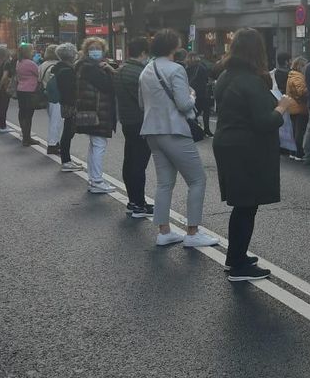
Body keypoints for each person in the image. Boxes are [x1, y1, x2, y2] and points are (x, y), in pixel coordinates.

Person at [213, 28, 294, 281]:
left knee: (242, 204)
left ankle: (235, 256)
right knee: (247, 206)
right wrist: (282, 107)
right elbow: (264, 121)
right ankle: (238, 265)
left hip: (228, 143)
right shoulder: (249, 80)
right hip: (246, 149)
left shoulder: (227, 75)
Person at [139, 29, 218, 248]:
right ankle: (192, 232)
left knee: (164, 183)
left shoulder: (147, 69)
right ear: (174, 46)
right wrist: (192, 96)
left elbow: (141, 102)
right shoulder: (176, 69)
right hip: (173, 130)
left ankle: (164, 231)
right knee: (197, 180)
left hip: (151, 130)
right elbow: (184, 104)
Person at [114, 37, 153, 218]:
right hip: (140, 121)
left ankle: (133, 201)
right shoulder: (140, 72)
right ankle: (139, 203)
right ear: (144, 53)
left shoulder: (122, 70)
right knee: (139, 164)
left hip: (127, 121)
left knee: (129, 161)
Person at [74, 38, 117, 194]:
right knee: (99, 145)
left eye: (98, 48)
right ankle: (97, 181)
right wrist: (110, 71)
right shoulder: (91, 68)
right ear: (86, 51)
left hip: (89, 110)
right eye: (92, 48)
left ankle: (93, 179)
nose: (95, 51)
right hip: (98, 110)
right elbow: (108, 86)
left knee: (94, 145)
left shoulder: (83, 65)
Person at [53, 43, 82, 172]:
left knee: (68, 131)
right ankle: (66, 161)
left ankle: (67, 160)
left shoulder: (58, 68)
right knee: (68, 132)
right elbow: (71, 89)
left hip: (64, 102)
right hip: (70, 103)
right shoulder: (68, 71)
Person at [39, 45, 62, 154]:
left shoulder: (42, 65)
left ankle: (55, 142)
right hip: (55, 95)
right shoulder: (56, 65)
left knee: (52, 119)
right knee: (56, 121)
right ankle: (53, 143)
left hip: (44, 94)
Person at [16, 43, 41, 146]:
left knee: (22, 112)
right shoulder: (31, 63)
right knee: (28, 115)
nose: (33, 52)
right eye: (32, 50)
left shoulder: (19, 62)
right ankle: (27, 138)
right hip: (30, 90)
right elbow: (38, 74)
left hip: (21, 89)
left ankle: (24, 134)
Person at [286, 56, 309, 161]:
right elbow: (301, 92)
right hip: (299, 107)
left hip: (292, 107)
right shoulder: (298, 76)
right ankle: (298, 153)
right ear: (301, 66)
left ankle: (292, 152)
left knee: (294, 131)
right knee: (299, 132)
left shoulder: (292, 75)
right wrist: (309, 89)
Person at [185, 52, 213, 137]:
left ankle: (192, 128)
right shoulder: (201, 67)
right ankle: (207, 129)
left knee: (195, 111)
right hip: (202, 92)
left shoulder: (186, 68)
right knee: (206, 111)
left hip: (191, 92)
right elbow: (206, 79)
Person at [0, 47, 14, 133]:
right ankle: (3, 125)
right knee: (4, 106)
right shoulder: (7, 63)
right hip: (4, 87)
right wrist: (1, 86)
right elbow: (5, 76)